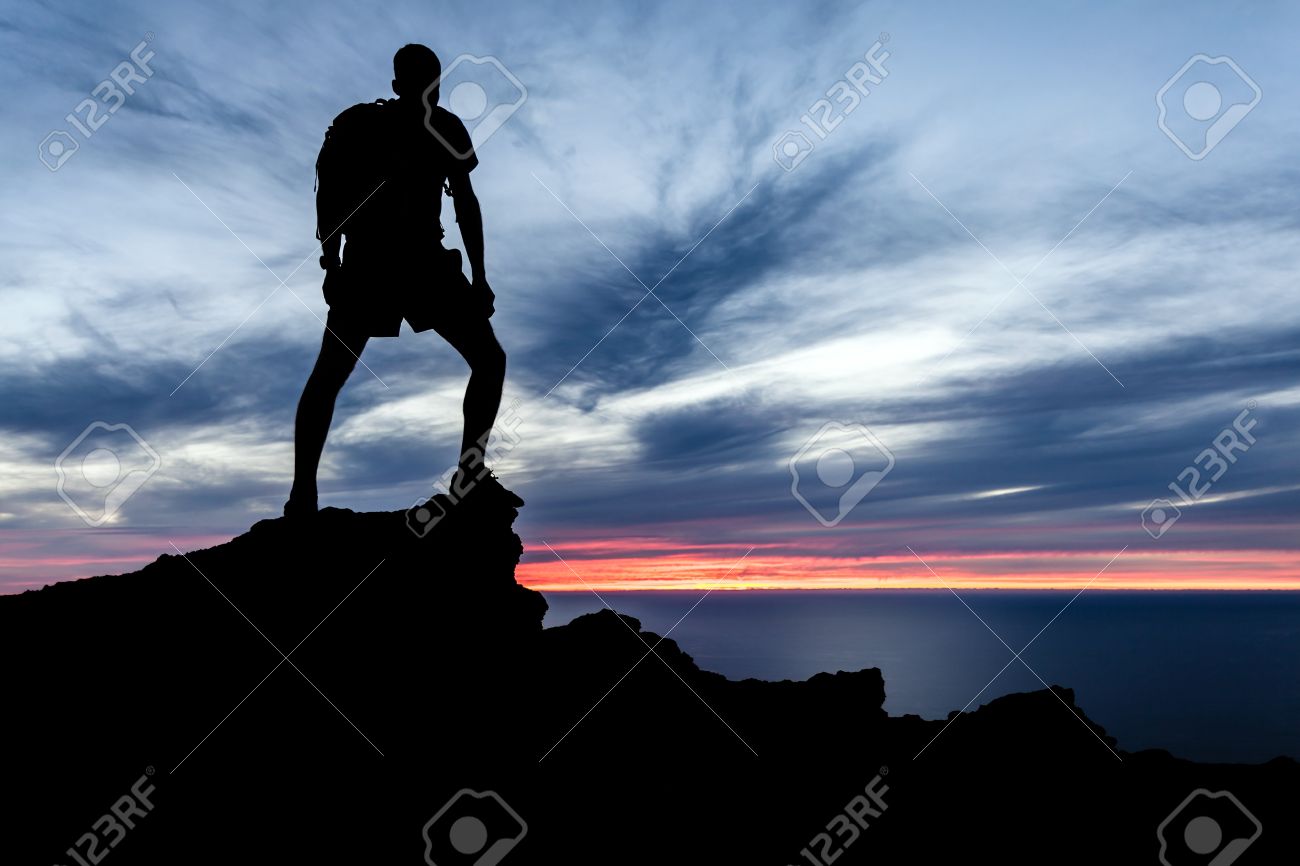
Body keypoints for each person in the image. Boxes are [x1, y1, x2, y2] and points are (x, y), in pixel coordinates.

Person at [285, 43, 522, 517]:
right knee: (329, 376)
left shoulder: (416, 126)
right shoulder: (366, 125)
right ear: (405, 84)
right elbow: (331, 194)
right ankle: (303, 495)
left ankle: (305, 496)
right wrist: (331, 262)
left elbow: (464, 204)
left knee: (486, 360)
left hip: (412, 264)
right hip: (381, 265)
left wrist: (479, 277)